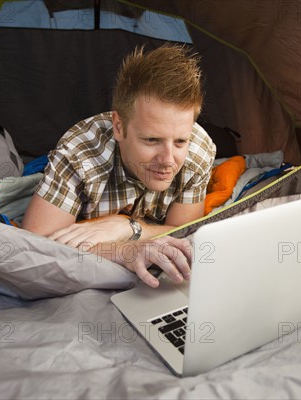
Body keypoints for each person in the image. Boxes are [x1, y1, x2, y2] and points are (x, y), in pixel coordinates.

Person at [22, 44, 216, 287]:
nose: (168, 160)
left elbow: (184, 230)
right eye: (152, 140)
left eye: (180, 141)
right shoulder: (79, 153)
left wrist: (126, 227)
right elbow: (35, 245)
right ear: (119, 127)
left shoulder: (199, 151)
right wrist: (123, 251)